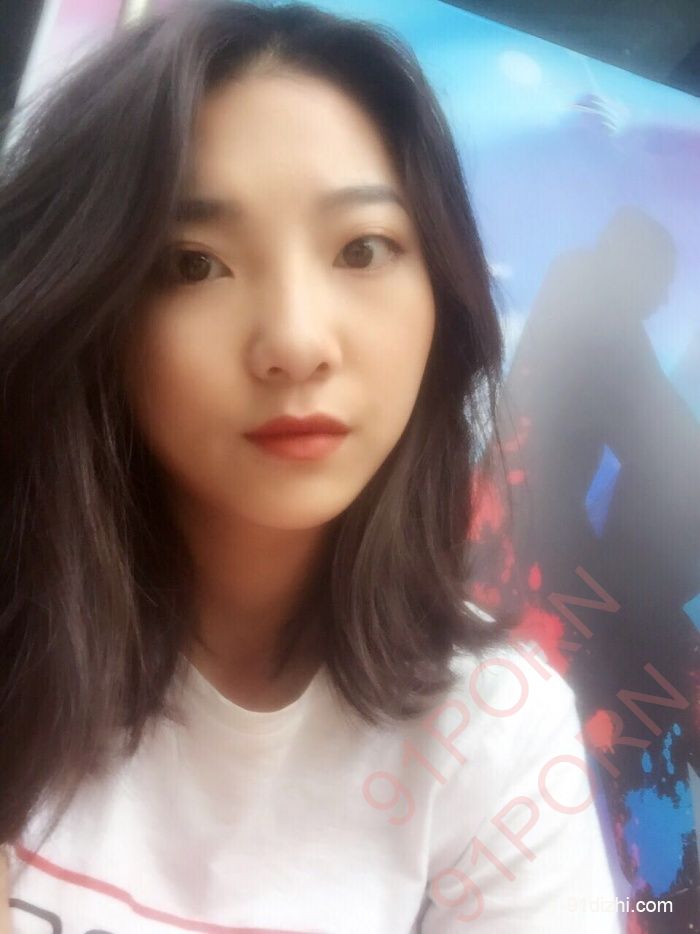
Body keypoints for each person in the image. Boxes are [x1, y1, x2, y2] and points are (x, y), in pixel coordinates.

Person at [0, 2, 621, 930]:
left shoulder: (493, 733)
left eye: (362, 250)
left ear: (443, 301)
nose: (295, 342)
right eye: (194, 264)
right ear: (93, 306)